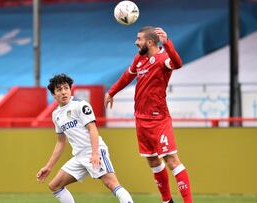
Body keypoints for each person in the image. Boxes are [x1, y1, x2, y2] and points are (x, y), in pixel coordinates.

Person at [104, 26, 192, 203]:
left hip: (159, 119)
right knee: (152, 161)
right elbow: (128, 76)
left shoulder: (163, 58)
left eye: (139, 39)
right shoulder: (139, 58)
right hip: (141, 119)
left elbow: (177, 63)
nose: (136, 42)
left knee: (171, 159)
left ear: (150, 42)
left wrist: (168, 44)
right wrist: (112, 92)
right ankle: (167, 201)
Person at [37, 74, 133, 203]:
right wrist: (48, 167)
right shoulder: (56, 115)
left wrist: (95, 154)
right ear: (54, 95)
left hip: (95, 151)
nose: (64, 92)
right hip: (79, 156)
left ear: (70, 90)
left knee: (112, 184)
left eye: (66, 88)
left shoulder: (80, 105)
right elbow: (60, 142)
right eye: (59, 89)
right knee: (55, 186)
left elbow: (92, 129)